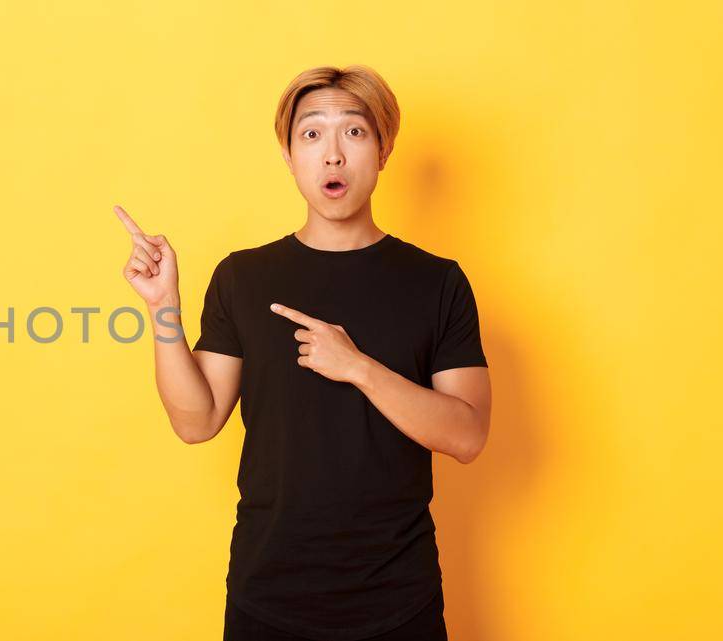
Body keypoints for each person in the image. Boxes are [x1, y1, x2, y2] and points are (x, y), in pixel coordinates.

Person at [113, 65, 492, 641]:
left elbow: (467, 435)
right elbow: (196, 421)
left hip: (399, 599)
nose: (333, 155)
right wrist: (164, 306)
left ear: (384, 150)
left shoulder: (437, 283)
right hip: (269, 597)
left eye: (355, 132)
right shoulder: (244, 278)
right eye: (312, 134)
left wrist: (358, 367)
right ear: (289, 156)